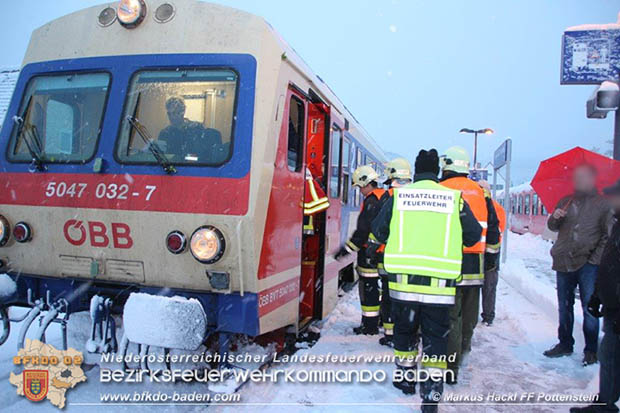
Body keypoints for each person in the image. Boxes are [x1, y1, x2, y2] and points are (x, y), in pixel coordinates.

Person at [372, 149, 482, 412]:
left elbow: (378, 231)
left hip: (403, 284)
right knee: (436, 337)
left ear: (417, 170)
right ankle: (431, 392)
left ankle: (406, 379)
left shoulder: (399, 196)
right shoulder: (454, 200)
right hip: (439, 287)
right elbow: (473, 236)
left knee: (405, 331)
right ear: (437, 171)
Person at [439, 146, 500, 383]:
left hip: (448, 262)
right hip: (475, 264)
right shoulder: (481, 193)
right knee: (469, 315)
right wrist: (491, 260)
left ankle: (451, 365)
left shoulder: (441, 190)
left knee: (451, 316)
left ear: (447, 166)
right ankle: (463, 350)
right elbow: (493, 230)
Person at [544, 164, 613, 365]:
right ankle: (565, 343)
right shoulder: (566, 200)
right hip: (563, 261)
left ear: (593, 179)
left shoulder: (602, 204)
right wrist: (554, 217)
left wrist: (593, 261)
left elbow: (607, 236)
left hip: (587, 264)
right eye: (577, 177)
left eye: (583, 177)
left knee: (589, 308)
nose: (579, 181)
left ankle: (591, 350)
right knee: (564, 306)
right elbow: (552, 226)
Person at [570, 178, 620, 412]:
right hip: (611, 303)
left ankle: (606, 405)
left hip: (617, 307)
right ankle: (606, 401)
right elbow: (610, 264)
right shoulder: (618, 224)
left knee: (610, 357)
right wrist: (598, 295)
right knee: (610, 356)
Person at [335, 165, 387, 335]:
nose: (360, 191)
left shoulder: (371, 201)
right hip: (384, 252)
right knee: (384, 289)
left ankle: (369, 326)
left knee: (368, 290)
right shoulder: (385, 197)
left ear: (366, 183)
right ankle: (383, 321)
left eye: (360, 187)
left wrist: (347, 250)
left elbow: (363, 231)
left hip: (370, 254)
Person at [367, 157, 413, 347]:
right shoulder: (416, 198)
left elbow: (378, 228)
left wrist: (372, 249)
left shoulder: (389, 198)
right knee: (407, 299)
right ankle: (405, 332)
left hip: (389, 257)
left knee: (388, 295)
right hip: (409, 259)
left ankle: (390, 333)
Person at [158, 96, 223, 162]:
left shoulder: (196, 129)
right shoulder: (164, 133)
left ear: (183, 112)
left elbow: (203, 155)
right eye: (169, 114)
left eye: (175, 113)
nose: (171, 117)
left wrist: (183, 158)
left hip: (193, 168)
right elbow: (161, 156)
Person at [478, 180, 506, 326]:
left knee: (485, 284)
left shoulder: (495, 208)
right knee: (489, 285)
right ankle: (488, 315)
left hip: (484, 250)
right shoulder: (497, 208)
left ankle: (488, 315)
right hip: (490, 250)